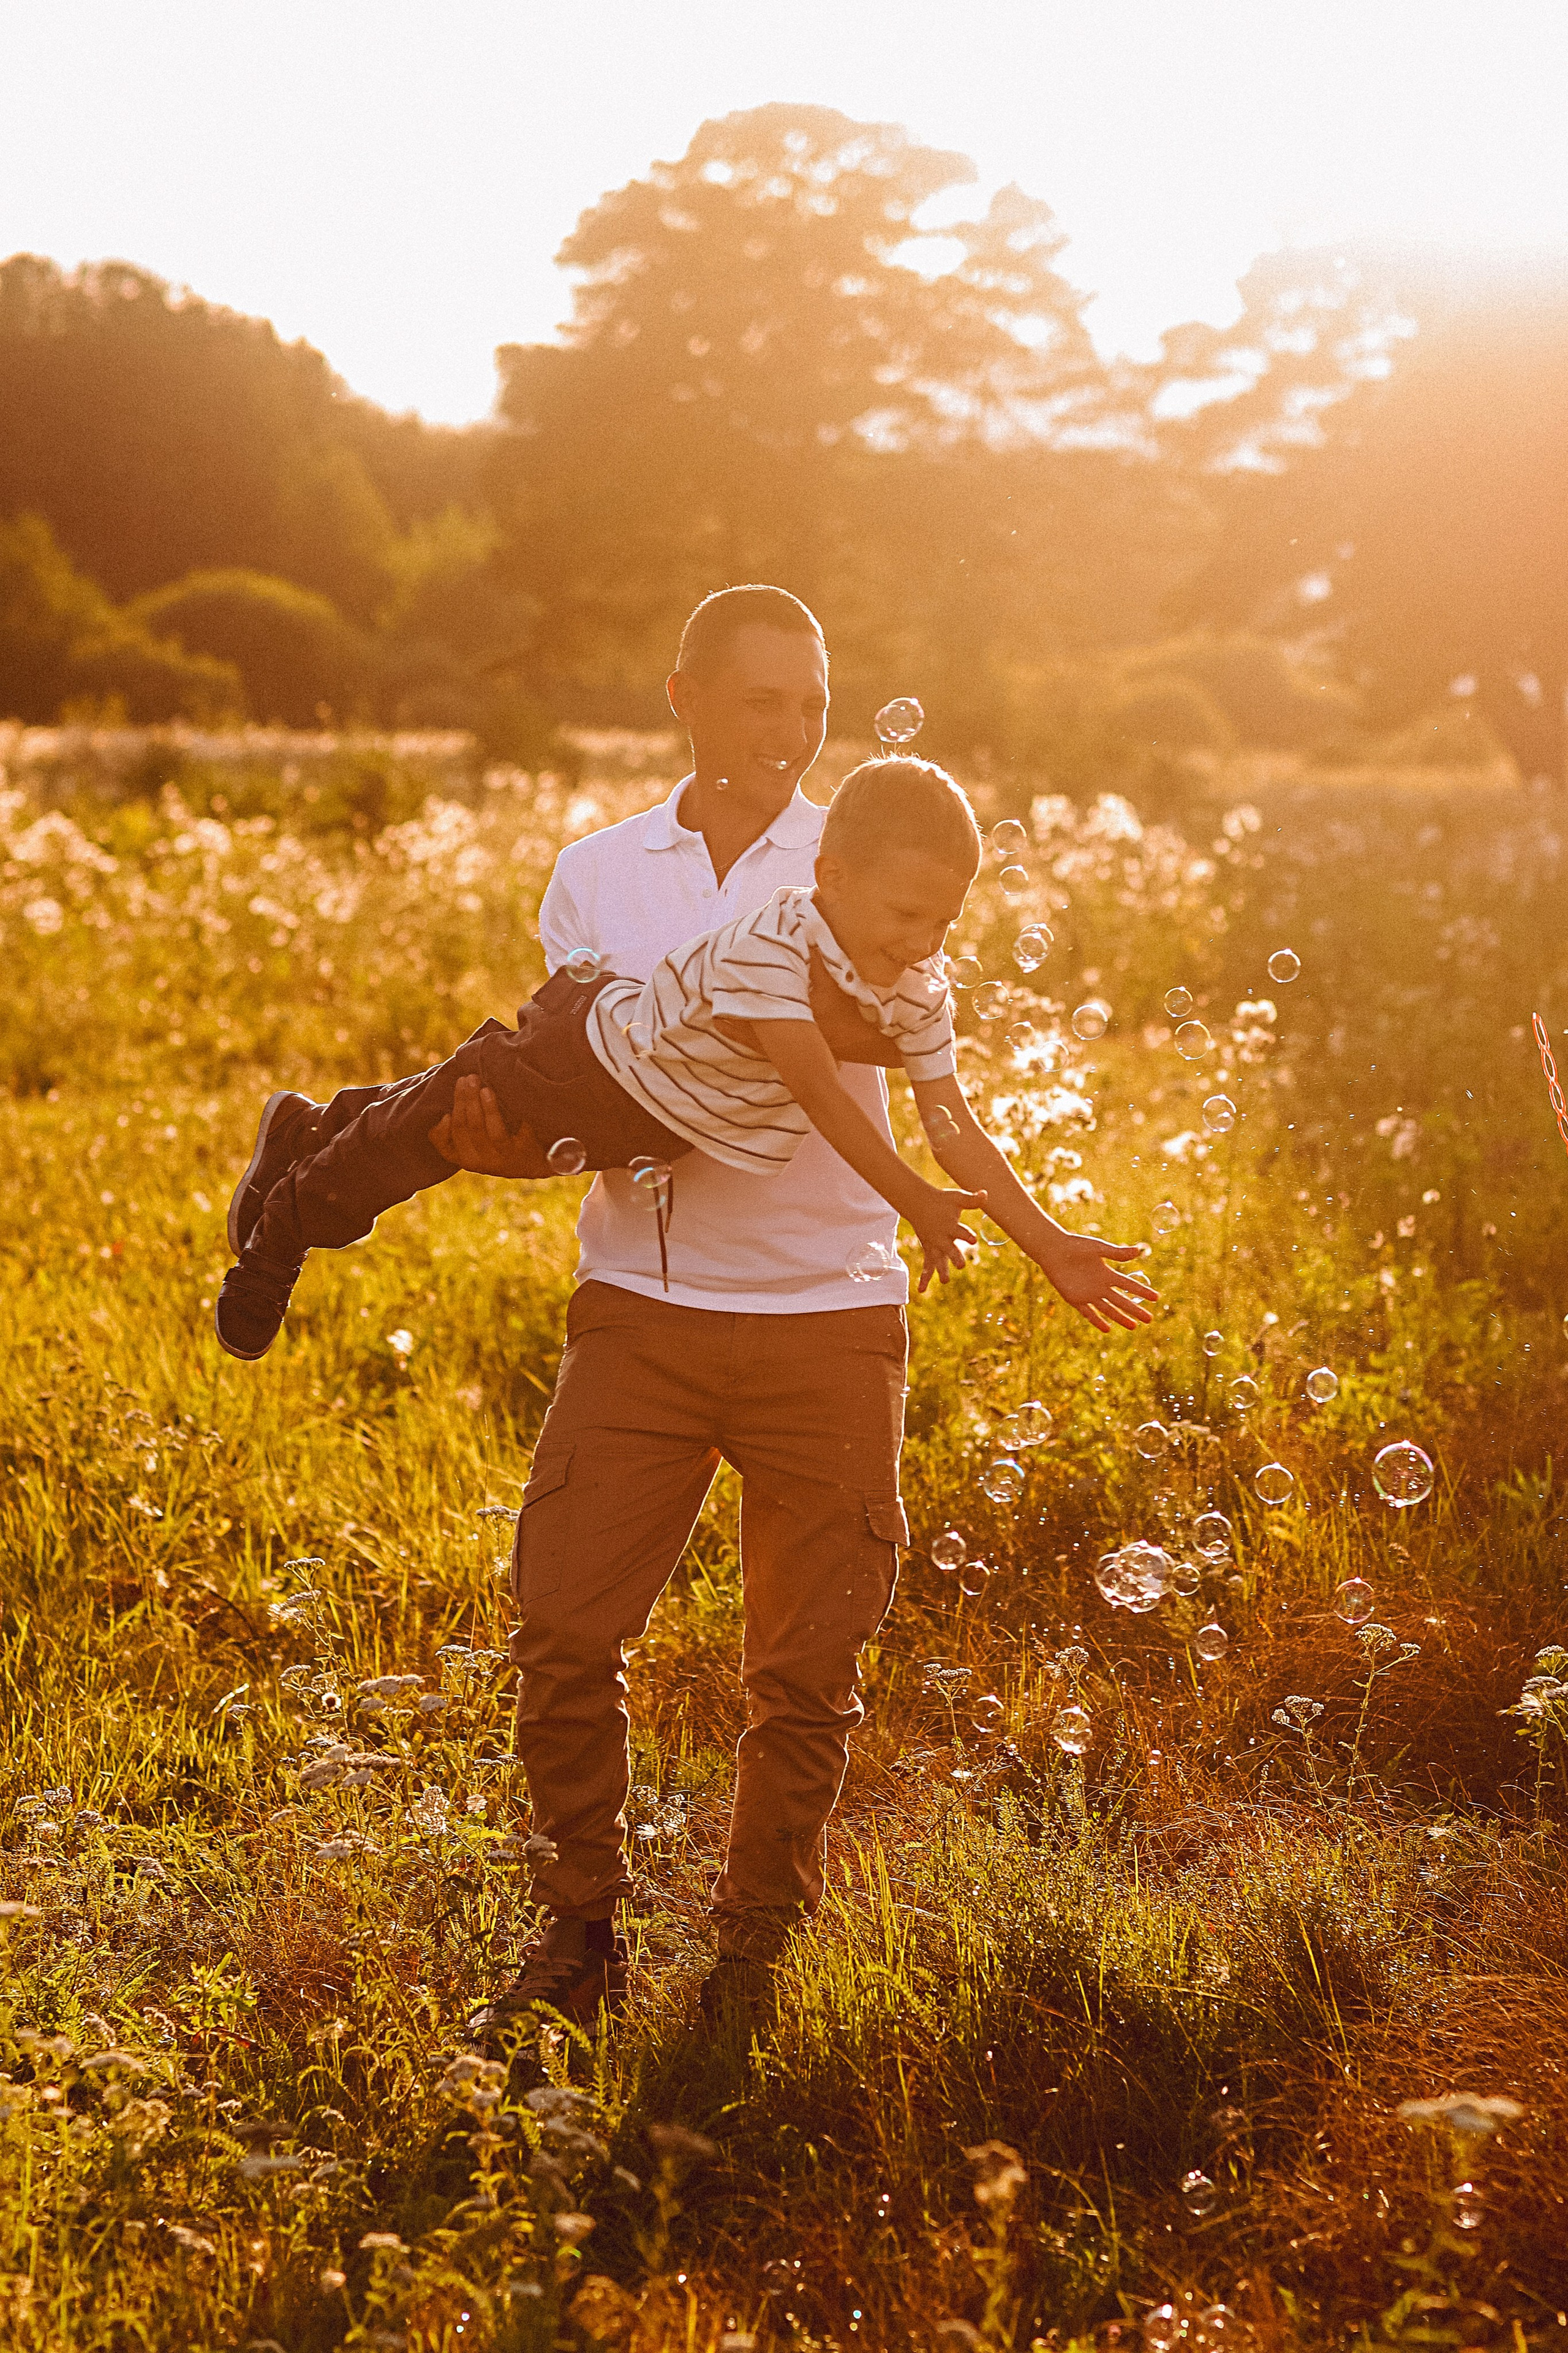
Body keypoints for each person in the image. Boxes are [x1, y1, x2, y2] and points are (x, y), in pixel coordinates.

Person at [234, 586, 1158, 2031]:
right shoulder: (600, 871)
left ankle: (750, 1954)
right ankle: (575, 1931)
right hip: (643, 1306)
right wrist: (494, 1148)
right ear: (684, 696)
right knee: (561, 1626)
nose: (790, 730)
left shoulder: (884, 861)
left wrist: (1040, 1239)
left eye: (811, 701)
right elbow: (589, 1096)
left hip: (830, 1318)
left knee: (805, 1671)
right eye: (759, 699)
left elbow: (934, 1101)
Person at [213, 754, 990, 1360]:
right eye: (909, 916)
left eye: (944, 924)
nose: (926, 943)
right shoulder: (778, 938)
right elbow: (819, 1091)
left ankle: (313, 1128)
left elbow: (949, 1118)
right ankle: (278, 1237)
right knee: (414, 1141)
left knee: (434, 1104)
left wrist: (1051, 1244)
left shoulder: (902, 963)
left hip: (653, 1124)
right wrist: (916, 1200)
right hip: (587, 1061)